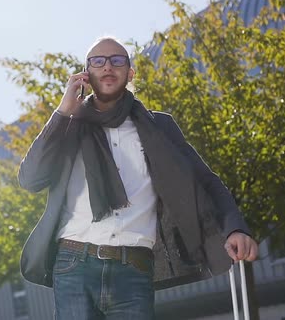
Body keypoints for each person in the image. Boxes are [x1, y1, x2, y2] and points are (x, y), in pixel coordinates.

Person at [17, 36, 258, 320]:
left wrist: (235, 228)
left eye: (117, 60)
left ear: (130, 74)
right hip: (73, 264)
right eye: (98, 61)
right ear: (86, 74)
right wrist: (62, 113)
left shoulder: (159, 126)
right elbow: (30, 178)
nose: (108, 66)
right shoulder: (69, 126)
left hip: (134, 268)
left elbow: (207, 181)